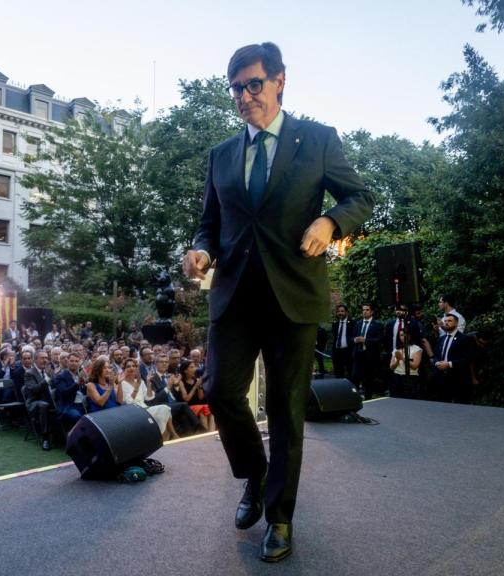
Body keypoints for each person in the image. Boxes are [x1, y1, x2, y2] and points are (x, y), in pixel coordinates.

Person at [182, 42, 373, 562]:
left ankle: (281, 517)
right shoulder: (221, 154)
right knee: (222, 391)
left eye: (254, 84)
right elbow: (210, 224)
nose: (244, 96)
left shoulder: (318, 140)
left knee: (288, 412)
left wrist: (331, 221)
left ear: (280, 81)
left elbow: (361, 196)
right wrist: (200, 251)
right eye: (236, 88)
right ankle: (253, 475)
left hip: (295, 295)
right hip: (235, 295)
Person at [120, 358, 176, 440]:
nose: (131, 368)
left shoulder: (140, 381)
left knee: (165, 409)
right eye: (128, 366)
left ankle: (167, 437)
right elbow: (128, 402)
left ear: (136, 368)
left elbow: (149, 397)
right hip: (133, 411)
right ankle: (170, 436)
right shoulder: (122, 383)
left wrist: (148, 382)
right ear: (124, 369)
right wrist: (137, 386)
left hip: (145, 407)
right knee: (164, 408)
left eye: (133, 366)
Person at [434, 313, 473, 403]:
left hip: (458, 378)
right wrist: (437, 363)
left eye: (450, 321)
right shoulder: (441, 339)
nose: (446, 323)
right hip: (442, 378)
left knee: (460, 405)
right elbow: (435, 355)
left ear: (456, 323)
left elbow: (467, 358)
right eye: (445, 321)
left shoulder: (464, 339)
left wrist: (449, 364)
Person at [352, 304, 385, 399]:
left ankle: (368, 399)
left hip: (370, 356)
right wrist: (355, 340)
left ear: (372, 312)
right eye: (363, 310)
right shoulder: (358, 323)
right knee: (355, 377)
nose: (364, 311)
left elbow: (379, 339)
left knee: (368, 379)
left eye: (367, 310)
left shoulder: (377, 324)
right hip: (358, 354)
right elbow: (351, 337)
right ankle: (355, 398)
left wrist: (365, 340)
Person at [23, 350, 53, 450]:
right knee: (43, 405)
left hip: (50, 399)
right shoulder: (29, 373)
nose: (45, 360)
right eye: (42, 358)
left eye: (46, 358)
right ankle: (45, 438)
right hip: (35, 402)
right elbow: (34, 390)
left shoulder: (48, 371)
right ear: (35, 360)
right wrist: (47, 378)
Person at [176, 360, 214, 431]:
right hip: (188, 406)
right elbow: (186, 399)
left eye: (194, 367)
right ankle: (205, 435)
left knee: (211, 410)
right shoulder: (181, 382)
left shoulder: (196, 380)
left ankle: (212, 433)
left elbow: (200, 397)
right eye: (191, 367)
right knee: (202, 412)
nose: (195, 369)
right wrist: (195, 386)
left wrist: (199, 386)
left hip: (199, 405)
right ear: (185, 371)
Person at [389, 329, 422, 399]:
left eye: (405, 335)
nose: (403, 337)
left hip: (410, 378)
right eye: (401, 335)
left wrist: (402, 358)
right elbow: (391, 367)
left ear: (409, 336)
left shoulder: (416, 349)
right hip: (397, 377)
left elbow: (415, 366)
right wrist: (397, 360)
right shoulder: (396, 349)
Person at [330, 304, 354, 379]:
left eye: (342, 311)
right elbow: (335, 338)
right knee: (338, 373)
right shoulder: (335, 324)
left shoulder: (353, 323)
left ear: (346, 312)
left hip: (348, 351)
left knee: (350, 372)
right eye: (338, 311)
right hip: (337, 352)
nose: (340, 313)